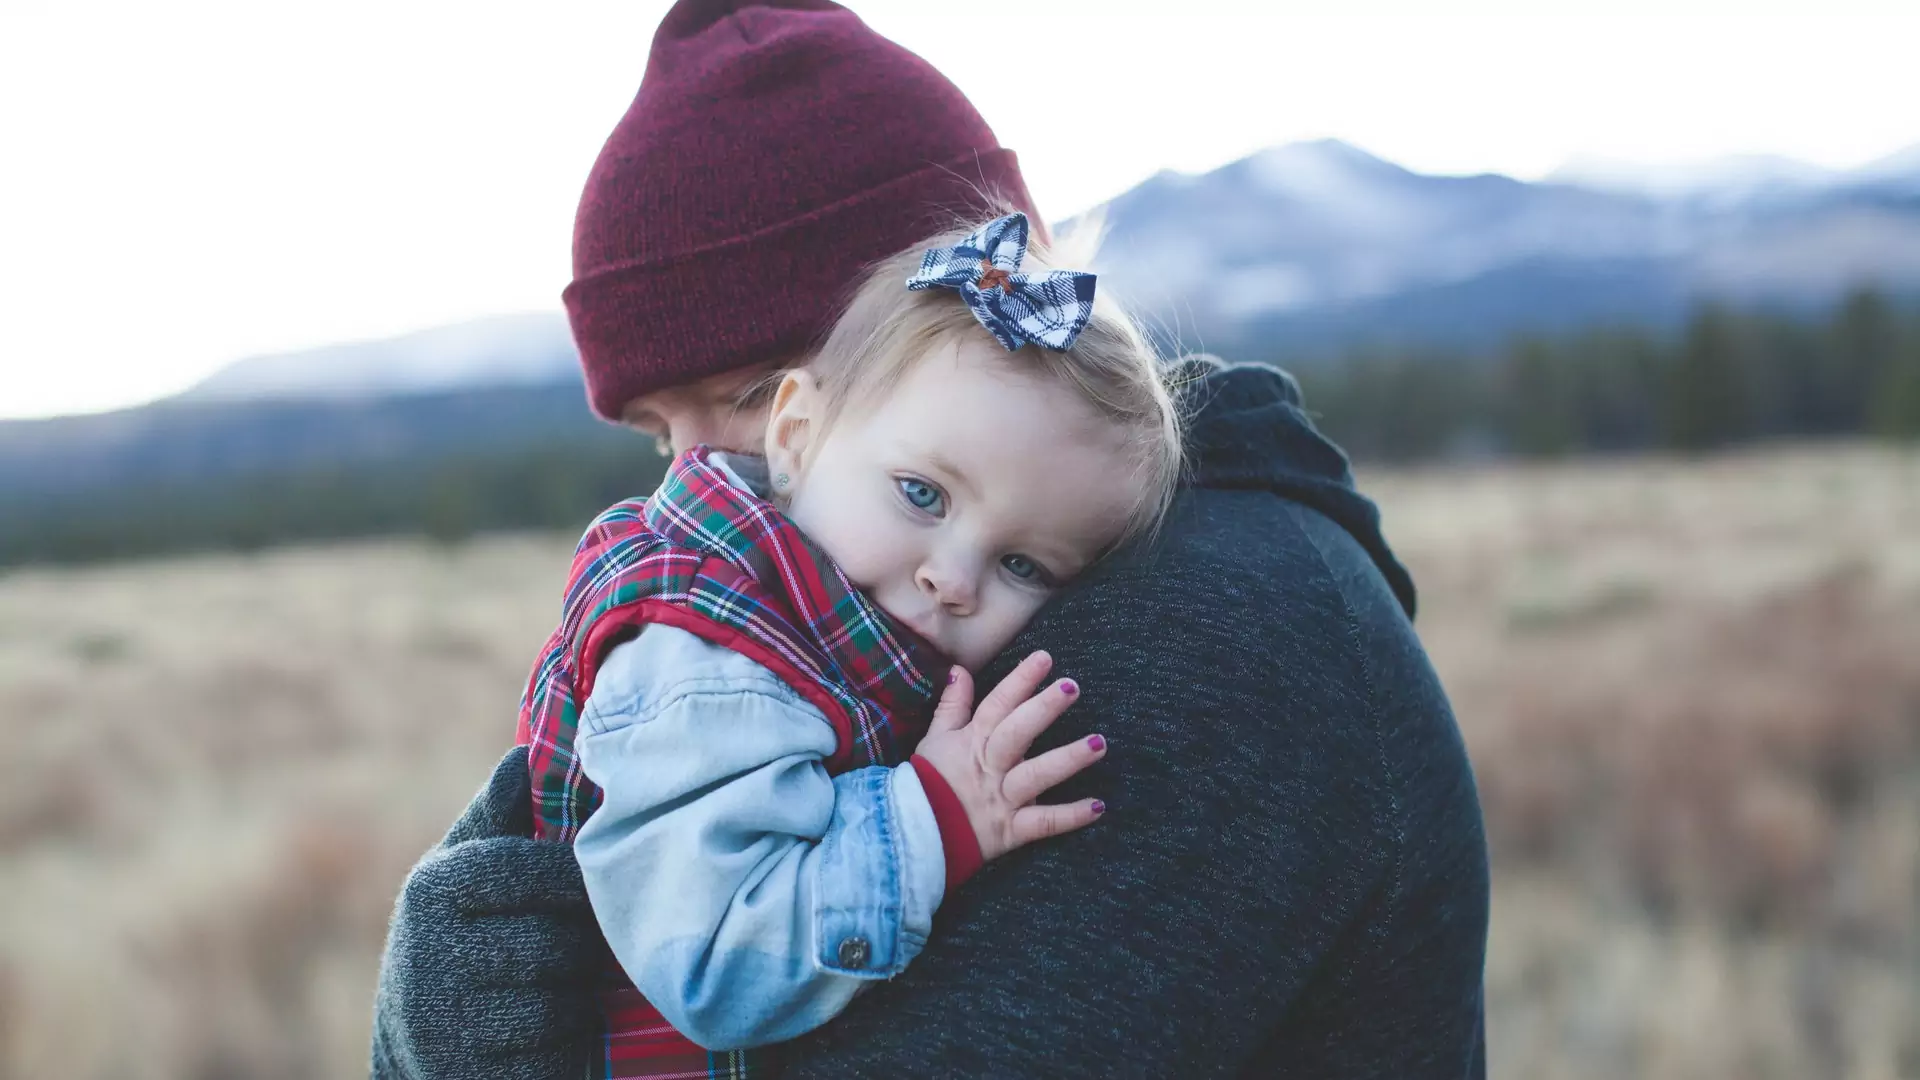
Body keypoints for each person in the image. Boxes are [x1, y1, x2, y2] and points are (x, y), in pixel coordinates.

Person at [370, 2, 1489, 1078]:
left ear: (962, 324)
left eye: (753, 393)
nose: (703, 477)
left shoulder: (1204, 641)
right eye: (661, 434)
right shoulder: (891, 610)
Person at [519, 210, 1183, 1076]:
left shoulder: (833, 627)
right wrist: (936, 817)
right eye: (922, 494)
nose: (955, 578)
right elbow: (715, 965)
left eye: (1022, 562)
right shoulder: (707, 658)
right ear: (794, 436)